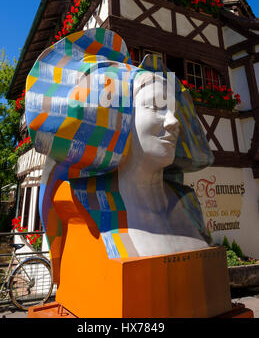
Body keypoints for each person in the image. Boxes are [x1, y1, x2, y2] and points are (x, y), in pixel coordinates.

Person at [25, 28, 213, 284]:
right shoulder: (84, 202)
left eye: (172, 110)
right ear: (121, 118)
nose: (173, 122)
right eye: (156, 107)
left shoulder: (187, 201)